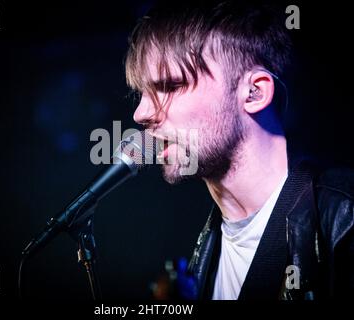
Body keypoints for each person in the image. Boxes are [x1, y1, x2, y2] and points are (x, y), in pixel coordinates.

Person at [125, 0, 353, 300]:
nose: (141, 114)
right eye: (143, 94)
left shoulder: (345, 219)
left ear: (255, 91)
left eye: (170, 86)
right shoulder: (201, 259)